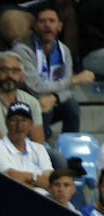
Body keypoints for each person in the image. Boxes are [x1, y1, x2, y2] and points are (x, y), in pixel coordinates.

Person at [12, 5, 95, 140]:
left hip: (50, 101)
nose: (47, 25)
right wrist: (72, 79)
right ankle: (40, 145)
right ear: (35, 25)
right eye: (42, 21)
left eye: (51, 21)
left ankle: (70, 148)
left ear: (60, 26)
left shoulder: (64, 51)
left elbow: (69, 90)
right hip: (25, 104)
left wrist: (54, 98)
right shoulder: (22, 49)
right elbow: (35, 88)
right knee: (43, 103)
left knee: (71, 105)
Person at [0, 101, 53, 194]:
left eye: (24, 120)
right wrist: (37, 179)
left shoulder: (39, 149)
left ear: (31, 124)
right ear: (7, 123)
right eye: (14, 120)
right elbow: (10, 183)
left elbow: (50, 182)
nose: (19, 125)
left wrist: (29, 177)